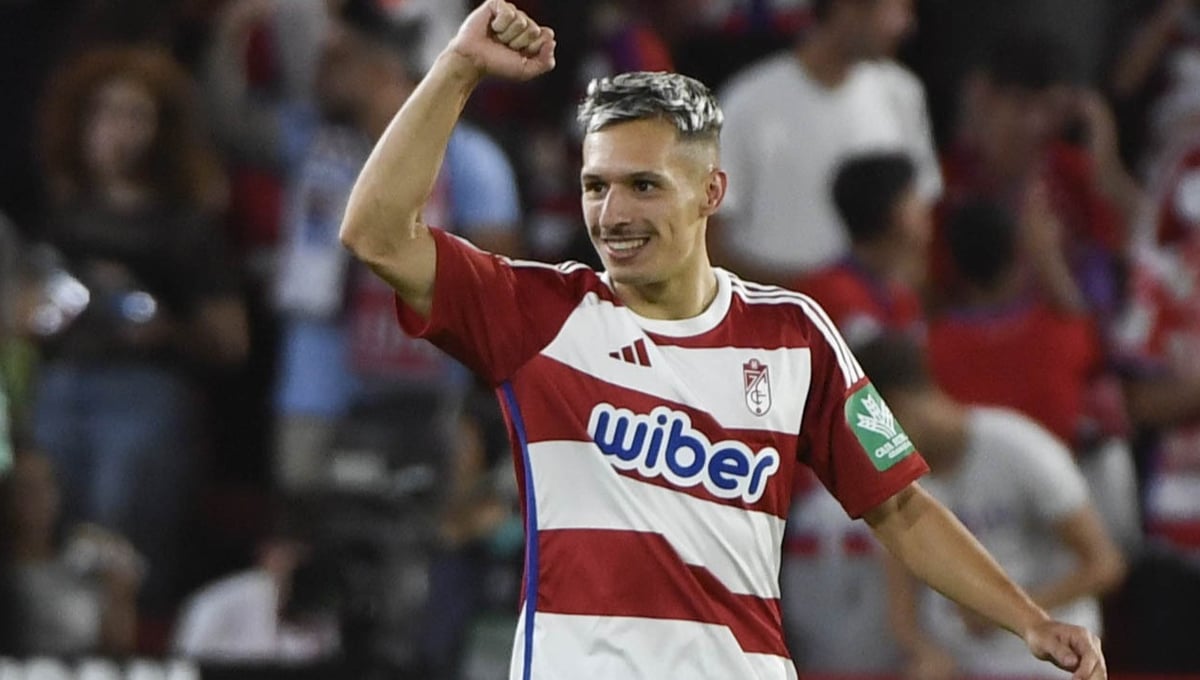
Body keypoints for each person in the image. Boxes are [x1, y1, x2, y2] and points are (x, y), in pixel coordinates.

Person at [338, 2, 1108, 678]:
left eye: (644, 185)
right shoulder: (538, 315)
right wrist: (458, 69)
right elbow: (375, 233)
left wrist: (1029, 621)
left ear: (711, 192)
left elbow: (901, 508)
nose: (613, 214)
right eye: (596, 186)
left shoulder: (794, 335)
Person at [854, 334, 1126, 679]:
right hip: (962, 665)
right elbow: (901, 604)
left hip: (1045, 664)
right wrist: (925, 652)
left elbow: (1105, 564)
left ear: (894, 407)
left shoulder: (1020, 448)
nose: (870, 445)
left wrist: (1016, 615)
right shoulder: (894, 477)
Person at [713, 0, 941, 283]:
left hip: (875, 308)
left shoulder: (902, 94)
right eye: (897, 8)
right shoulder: (747, 102)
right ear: (847, 8)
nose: (907, 26)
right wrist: (810, 295)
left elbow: (920, 230)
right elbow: (711, 240)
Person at [795, 151, 931, 349]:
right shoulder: (829, 293)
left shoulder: (902, 297)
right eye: (912, 197)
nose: (924, 208)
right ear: (889, 210)